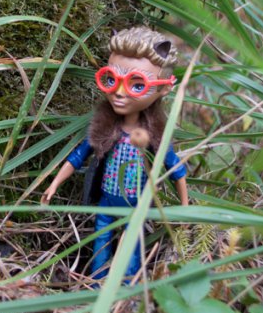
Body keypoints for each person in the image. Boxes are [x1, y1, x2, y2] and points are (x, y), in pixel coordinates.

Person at [41, 26, 189, 283]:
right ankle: (97, 280)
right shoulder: (105, 129)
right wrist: (54, 184)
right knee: (101, 241)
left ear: (164, 88)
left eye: (137, 84)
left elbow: (175, 168)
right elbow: (78, 157)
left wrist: (185, 207)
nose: (119, 92)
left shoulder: (154, 135)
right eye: (110, 79)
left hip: (136, 204)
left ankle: (128, 285)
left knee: (132, 246)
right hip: (106, 200)